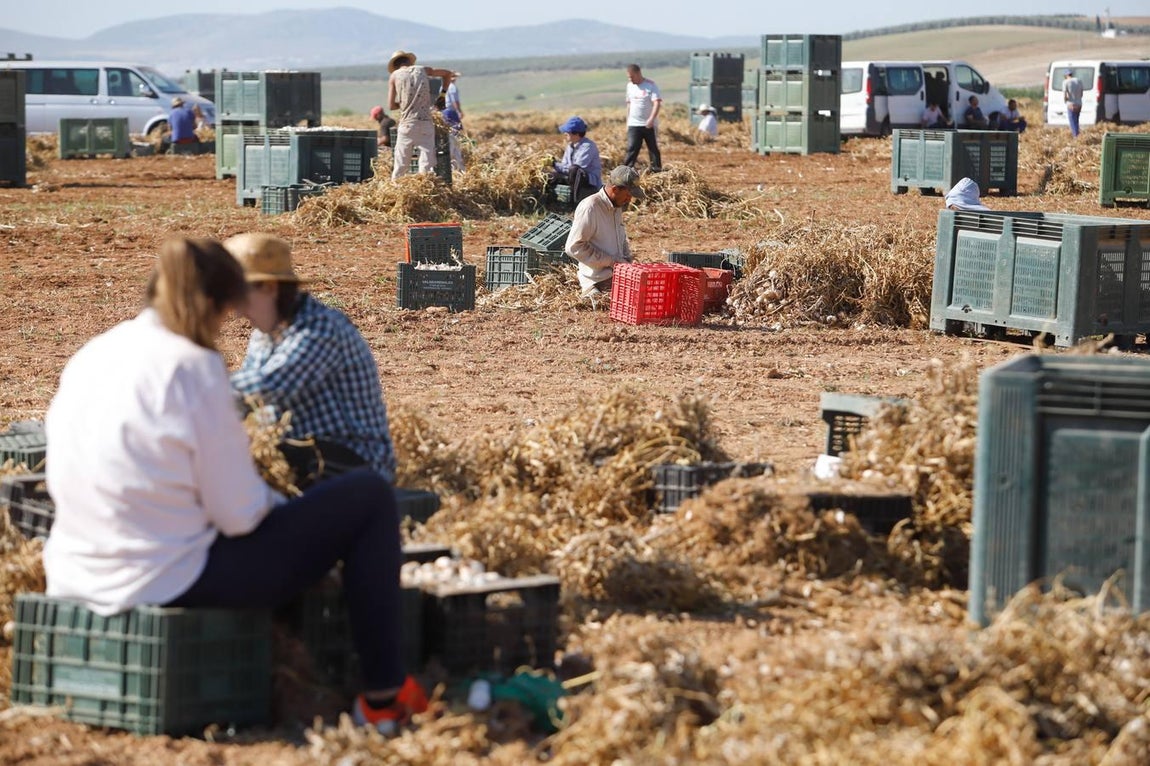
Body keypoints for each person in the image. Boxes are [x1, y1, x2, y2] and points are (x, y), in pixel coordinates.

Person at [42, 237, 426, 735]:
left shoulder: (95, 352)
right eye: (228, 313)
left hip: (73, 571)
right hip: (165, 578)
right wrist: (281, 507)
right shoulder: (192, 366)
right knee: (370, 497)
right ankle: (384, 696)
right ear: (213, 305)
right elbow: (239, 515)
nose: (232, 324)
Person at [225, 233, 397, 489]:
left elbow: (268, 387)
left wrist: (196, 393)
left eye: (240, 298)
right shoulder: (264, 334)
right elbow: (243, 404)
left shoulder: (321, 329)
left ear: (269, 288)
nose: (236, 311)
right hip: (304, 452)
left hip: (356, 465)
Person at [564, 165, 645, 299]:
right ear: (615, 189)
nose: (629, 200)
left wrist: (627, 259)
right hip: (598, 280)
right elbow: (574, 247)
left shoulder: (616, 206)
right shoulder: (590, 207)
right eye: (628, 195)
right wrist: (612, 261)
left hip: (616, 275)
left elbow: (620, 238)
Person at [386, 49, 456, 179]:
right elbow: (447, 74)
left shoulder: (395, 76)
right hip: (425, 123)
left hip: (407, 124)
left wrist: (403, 104)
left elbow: (390, 106)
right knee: (426, 166)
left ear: (395, 65)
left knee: (400, 166)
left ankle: (396, 190)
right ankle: (424, 189)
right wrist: (442, 95)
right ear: (409, 61)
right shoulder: (423, 70)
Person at [550, 115, 603, 204]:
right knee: (550, 175)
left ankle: (575, 202)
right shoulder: (570, 146)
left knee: (575, 170)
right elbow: (564, 166)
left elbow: (577, 169)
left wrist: (555, 164)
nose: (565, 134)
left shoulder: (588, 146)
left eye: (568, 132)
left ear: (576, 134)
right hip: (573, 177)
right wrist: (553, 163)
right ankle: (552, 200)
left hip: (589, 183)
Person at [622, 64, 662, 172]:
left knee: (653, 149)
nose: (630, 79)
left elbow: (657, 103)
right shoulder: (629, 86)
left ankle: (656, 170)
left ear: (638, 73)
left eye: (632, 76)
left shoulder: (650, 85)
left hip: (648, 124)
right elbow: (629, 105)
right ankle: (625, 171)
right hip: (634, 124)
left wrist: (651, 119)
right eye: (629, 77)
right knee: (632, 148)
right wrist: (627, 122)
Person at [440, 106, 465, 172]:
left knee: (449, 158)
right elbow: (460, 126)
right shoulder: (451, 111)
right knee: (458, 157)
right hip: (455, 135)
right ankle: (463, 173)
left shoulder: (438, 114)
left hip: (447, 137)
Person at [1062, 69, 1083, 138]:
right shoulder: (1079, 81)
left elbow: (1065, 94)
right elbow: (1081, 94)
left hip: (1071, 105)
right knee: (1076, 122)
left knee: (1073, 123)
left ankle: (1076, 137)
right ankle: (1078, 136)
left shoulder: (1066, 82)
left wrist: (1065, 101)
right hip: (1079, 104)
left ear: (1066, 75)